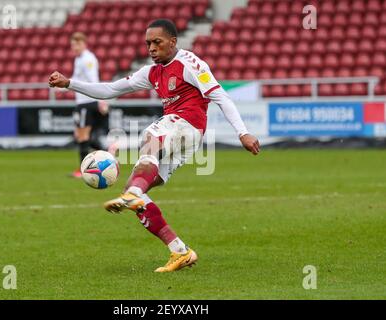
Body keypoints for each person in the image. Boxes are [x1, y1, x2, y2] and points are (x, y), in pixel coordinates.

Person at [49, 19, 260, 272]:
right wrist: (69, 83)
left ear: (173, 41)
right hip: (182, 139)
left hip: (187, 124)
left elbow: (220, 96)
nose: (151, 48)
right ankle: (179, 251)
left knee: (150, 134)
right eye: (148, 43)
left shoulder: (190, 64)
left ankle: (134, 195)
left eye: (157, 42)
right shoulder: (151, 72)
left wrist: (243, 133)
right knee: (136, 189)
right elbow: (110, 89)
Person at [69, 32, 110, 178]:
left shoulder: (87, 59)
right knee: (82, 136)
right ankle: (108, 152)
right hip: (83, 101)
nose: (74, 47)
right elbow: (76, 78)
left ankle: (83, 170)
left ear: (84, 44)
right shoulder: (79, 59)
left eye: (77, 44)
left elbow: (93, 79)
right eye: (73, 44)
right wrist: (64, 85)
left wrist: (101, 99)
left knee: (82, 136)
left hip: (87, 101)